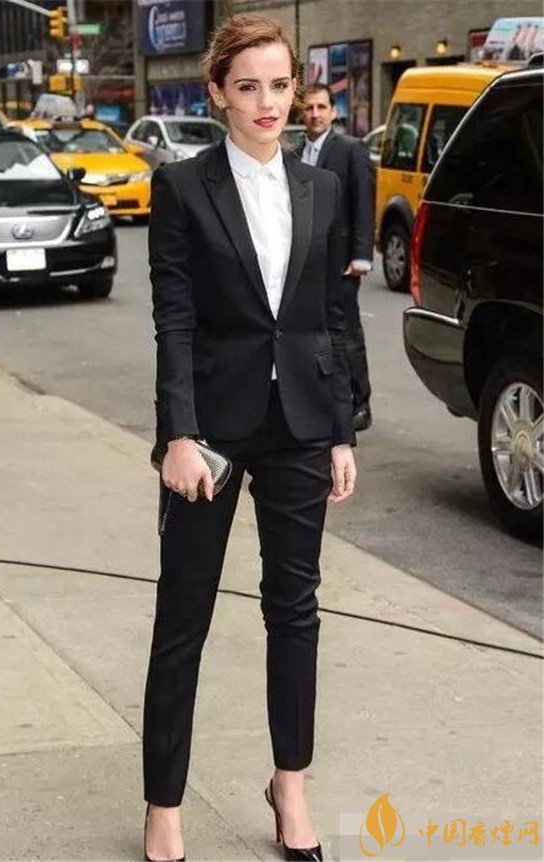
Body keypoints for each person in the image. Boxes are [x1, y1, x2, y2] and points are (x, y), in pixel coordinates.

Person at [143, 13, 357, 862]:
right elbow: (173, 320)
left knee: (294, 612)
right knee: (184, 614)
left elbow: (333, 319)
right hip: (212, 432)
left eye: (280, 84)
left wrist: (342, 431)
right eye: (248, 86)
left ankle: (290, 788)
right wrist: (177, 433)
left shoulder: (322, 187)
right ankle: (164, 806)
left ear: (296, 90)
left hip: (301, 423)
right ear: (218, 93)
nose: (268, 102)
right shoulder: (182, 186)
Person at [297, 84, 375, 432]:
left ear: (333, 111)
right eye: (309, 108)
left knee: (345, 335)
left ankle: (360, 403)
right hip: (306, 262)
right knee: (312, 332)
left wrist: (361, 255)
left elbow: (363, 202)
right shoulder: (295, 152)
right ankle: (322, 400)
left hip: (341, 262)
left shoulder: (350, 150)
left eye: (321, 107)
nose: (315, 114)